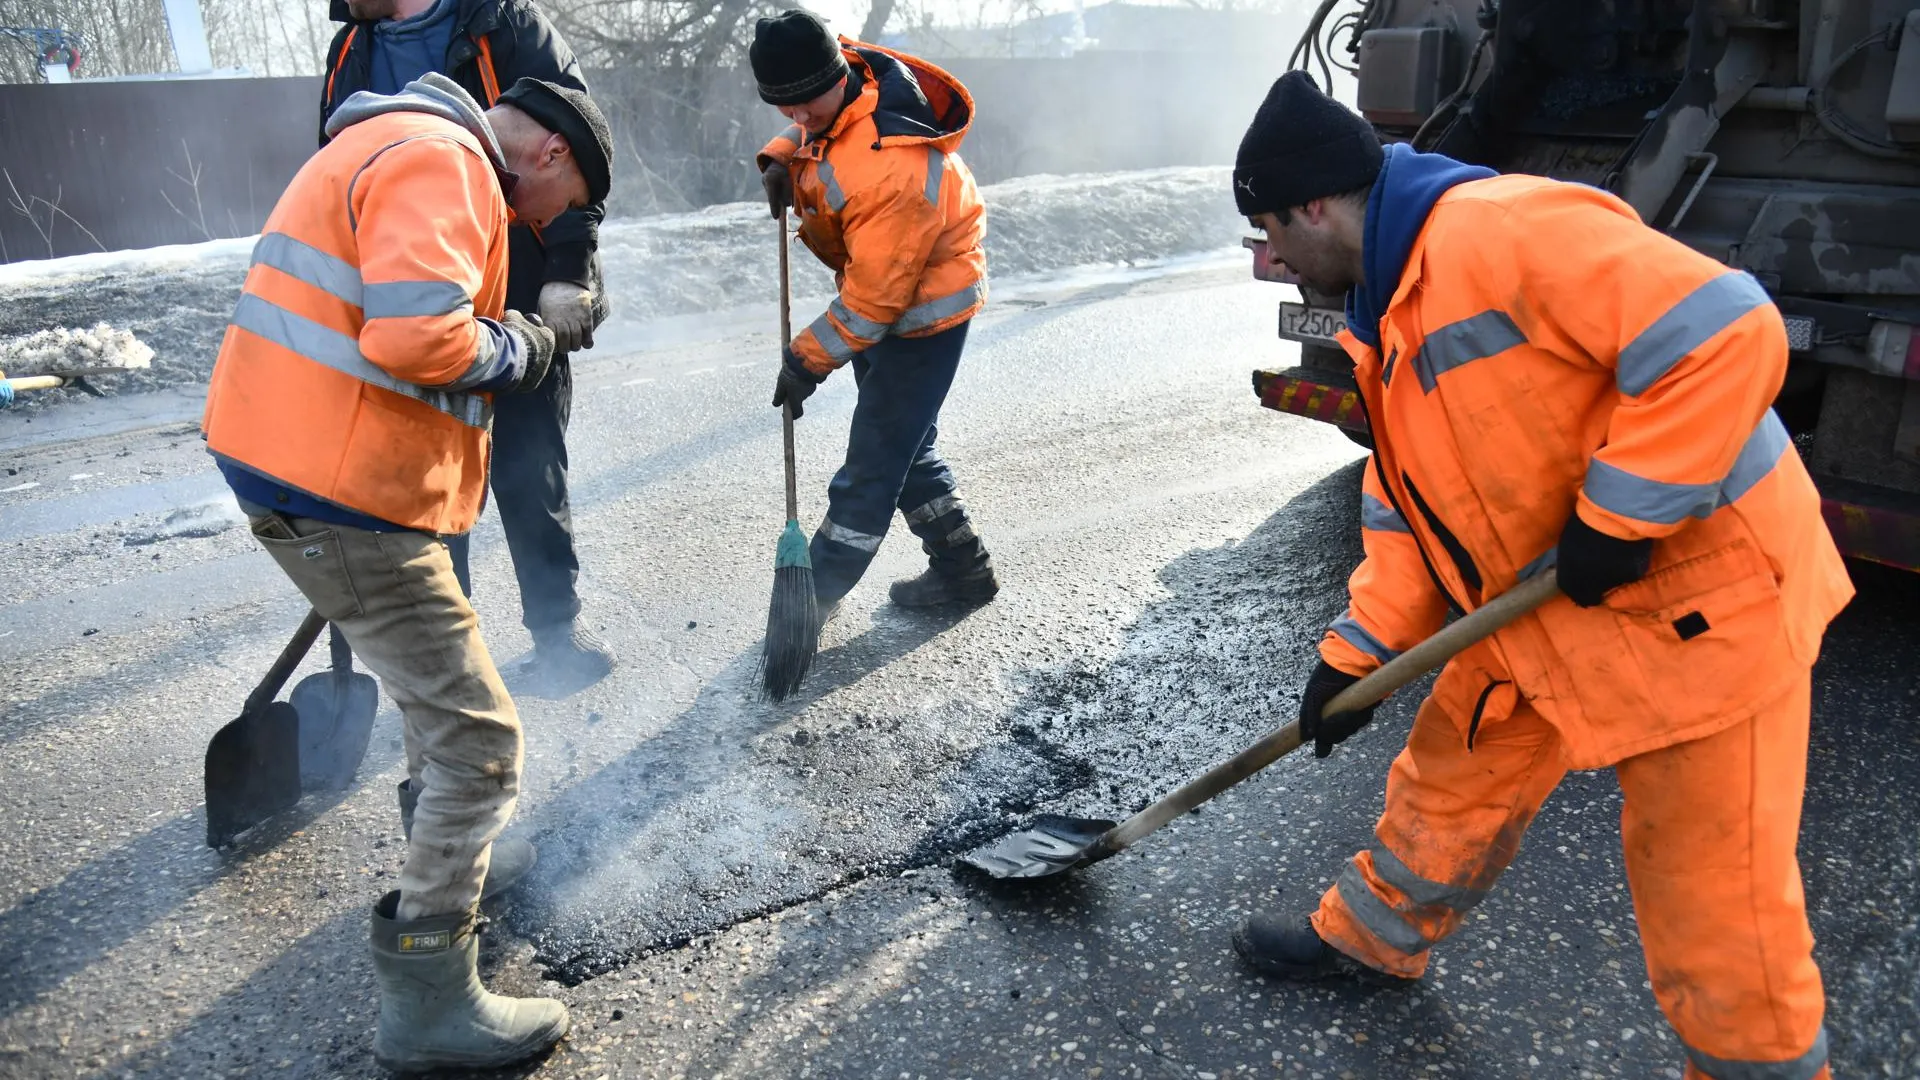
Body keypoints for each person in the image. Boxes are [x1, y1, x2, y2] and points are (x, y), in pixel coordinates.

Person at [1228, 72, 1854, 1080]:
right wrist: (1356, 655)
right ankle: (1373, 936)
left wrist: (1619, 516)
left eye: (1266, 230)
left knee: (1714, 905)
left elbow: (1728, 327)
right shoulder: (1386, 305)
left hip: (1705, 607)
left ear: (1314, 206)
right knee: (1452, 769)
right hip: (1543, 602)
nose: (1267, 256)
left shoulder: (1498, 233)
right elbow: (1408, 507)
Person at [202, 72, 613, 1071]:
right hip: (337, 489)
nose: (557, 226)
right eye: (576, 207)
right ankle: (428, 999)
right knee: (479, 741)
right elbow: (415, 335)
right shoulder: (448, 162)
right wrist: (525, 342)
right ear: (552, 159)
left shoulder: (390, 143)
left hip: (315, 467)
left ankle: (457, 851)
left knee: (438, 691)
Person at [321, 0, 616, 686]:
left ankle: (554, 632)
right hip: (408, 309)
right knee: (426, 488)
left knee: (530, 465)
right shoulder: (348, 51)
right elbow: (337, 170)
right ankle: (451, 657)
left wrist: (568, 276)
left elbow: (575, 150)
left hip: (516, 294)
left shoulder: (506, 26)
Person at [750, 9, 999, 620]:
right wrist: (783, 158)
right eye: (787, 112)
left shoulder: (893, 166)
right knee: (906, 448)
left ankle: (809, 603)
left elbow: (873, 304)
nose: (800, 120)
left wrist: (805, 361)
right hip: (887, 296)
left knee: (873, 464)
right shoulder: (843, 86)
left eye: (807, 105)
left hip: (921, 317)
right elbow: (824, 132)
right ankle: (963, 570)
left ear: (834, 74)